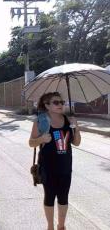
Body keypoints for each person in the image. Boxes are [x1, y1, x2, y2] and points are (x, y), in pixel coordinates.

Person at [29, 92, 81, 230]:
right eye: (56, 102)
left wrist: (76, 127)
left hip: (65, 167)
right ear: (47, 105)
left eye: (62, 102)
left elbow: (76, 143)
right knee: (49, 197)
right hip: (47, 167)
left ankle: (61, 226)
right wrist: (41, 139)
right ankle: (50, 226)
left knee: (64, 197)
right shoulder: (41, 121)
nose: (60, 105)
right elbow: (31, 143)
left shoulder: (69, 120)